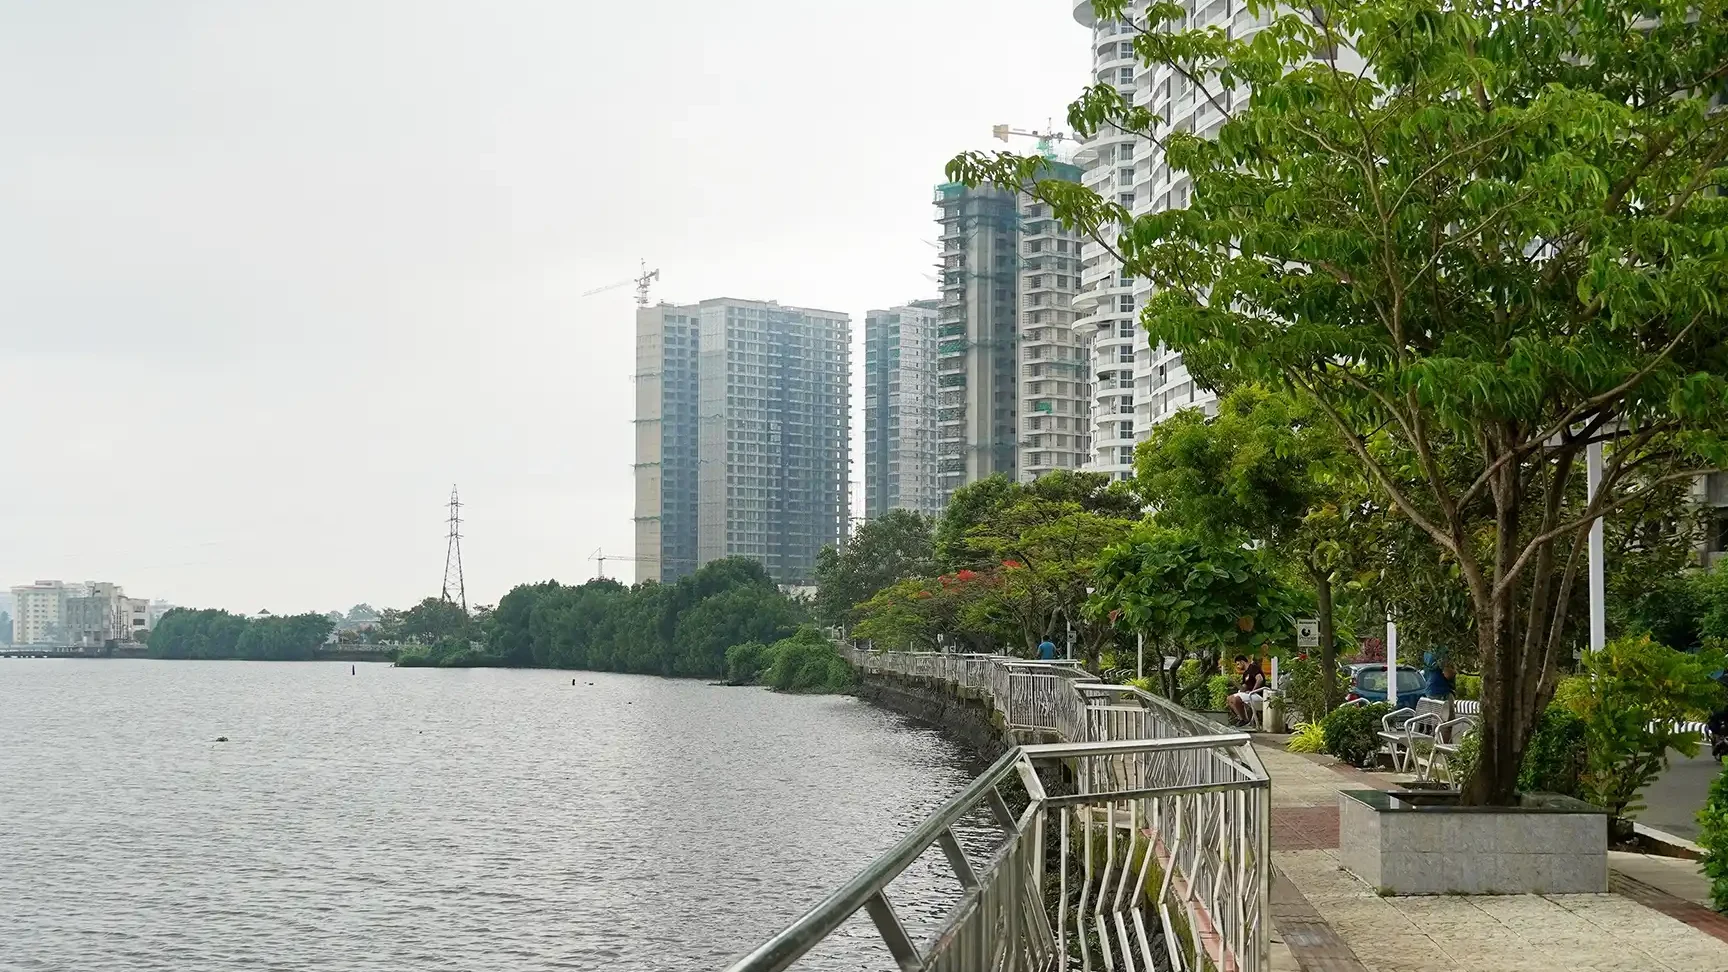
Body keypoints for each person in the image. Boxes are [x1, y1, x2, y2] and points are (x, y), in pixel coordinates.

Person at [1226, 654, 1267, 728]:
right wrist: (1235, 682)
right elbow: (1243, 689)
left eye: (1238, 664)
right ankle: (1242, 719)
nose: (1238, 666)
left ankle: (1244, 720)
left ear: (1242, 662)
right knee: (1229, 698)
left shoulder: (1253, 668)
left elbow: (1260, 679)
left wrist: (1253, 691)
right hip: (1250, 695)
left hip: (1257, 695)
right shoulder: (1245, 674)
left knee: (1235, 698)